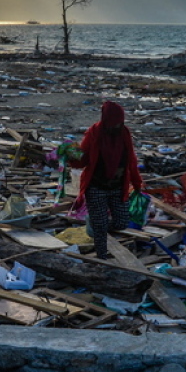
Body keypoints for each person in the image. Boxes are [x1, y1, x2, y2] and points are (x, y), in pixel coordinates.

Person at [70, 101, 143, 259]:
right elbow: (83, 159)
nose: (117, 126)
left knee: (122, 222)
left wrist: (137, 183)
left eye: (120, 123)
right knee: (100, 226)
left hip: (118, 186)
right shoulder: (94, 133)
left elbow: (131, 159)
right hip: (96, 186)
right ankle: (101, 256)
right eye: (115, 123)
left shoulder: (124, 133)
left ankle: (95, 224)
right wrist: (70, 154)